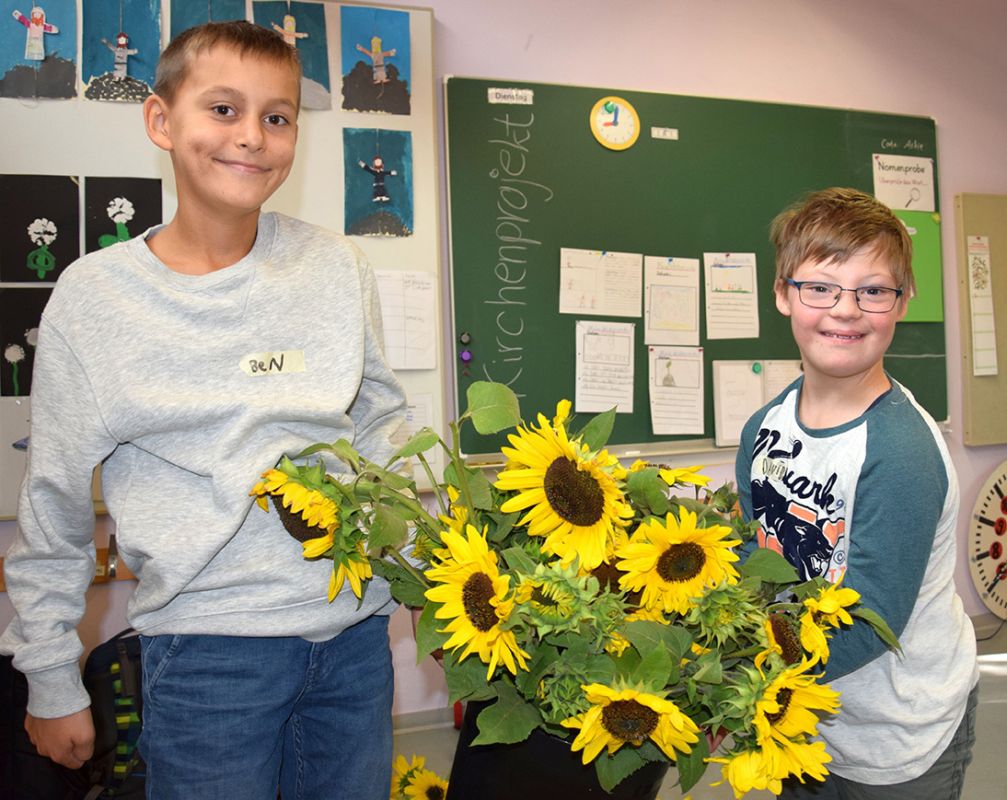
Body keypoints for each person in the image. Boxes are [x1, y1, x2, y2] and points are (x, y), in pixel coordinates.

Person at [0, 20, 406, 800]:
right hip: (209, 652)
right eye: (223, 109)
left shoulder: (335, 267)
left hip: (354, 638)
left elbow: (382, 433)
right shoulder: (95, 299)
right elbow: (52, 497)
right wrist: (49, 675)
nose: (251, 136)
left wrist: (427, 581)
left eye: (276, 116)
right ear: (161, 120)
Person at [736, 187, 979, 799]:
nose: (845, 310)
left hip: (898, 732)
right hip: (803, 720)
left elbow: (871, 625)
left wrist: (735, 677)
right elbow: (752, 557)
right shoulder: (764, 428)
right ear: (782, 294)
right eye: (820, 288)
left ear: (902, 302)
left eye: (872, 291)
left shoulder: (900, 452)